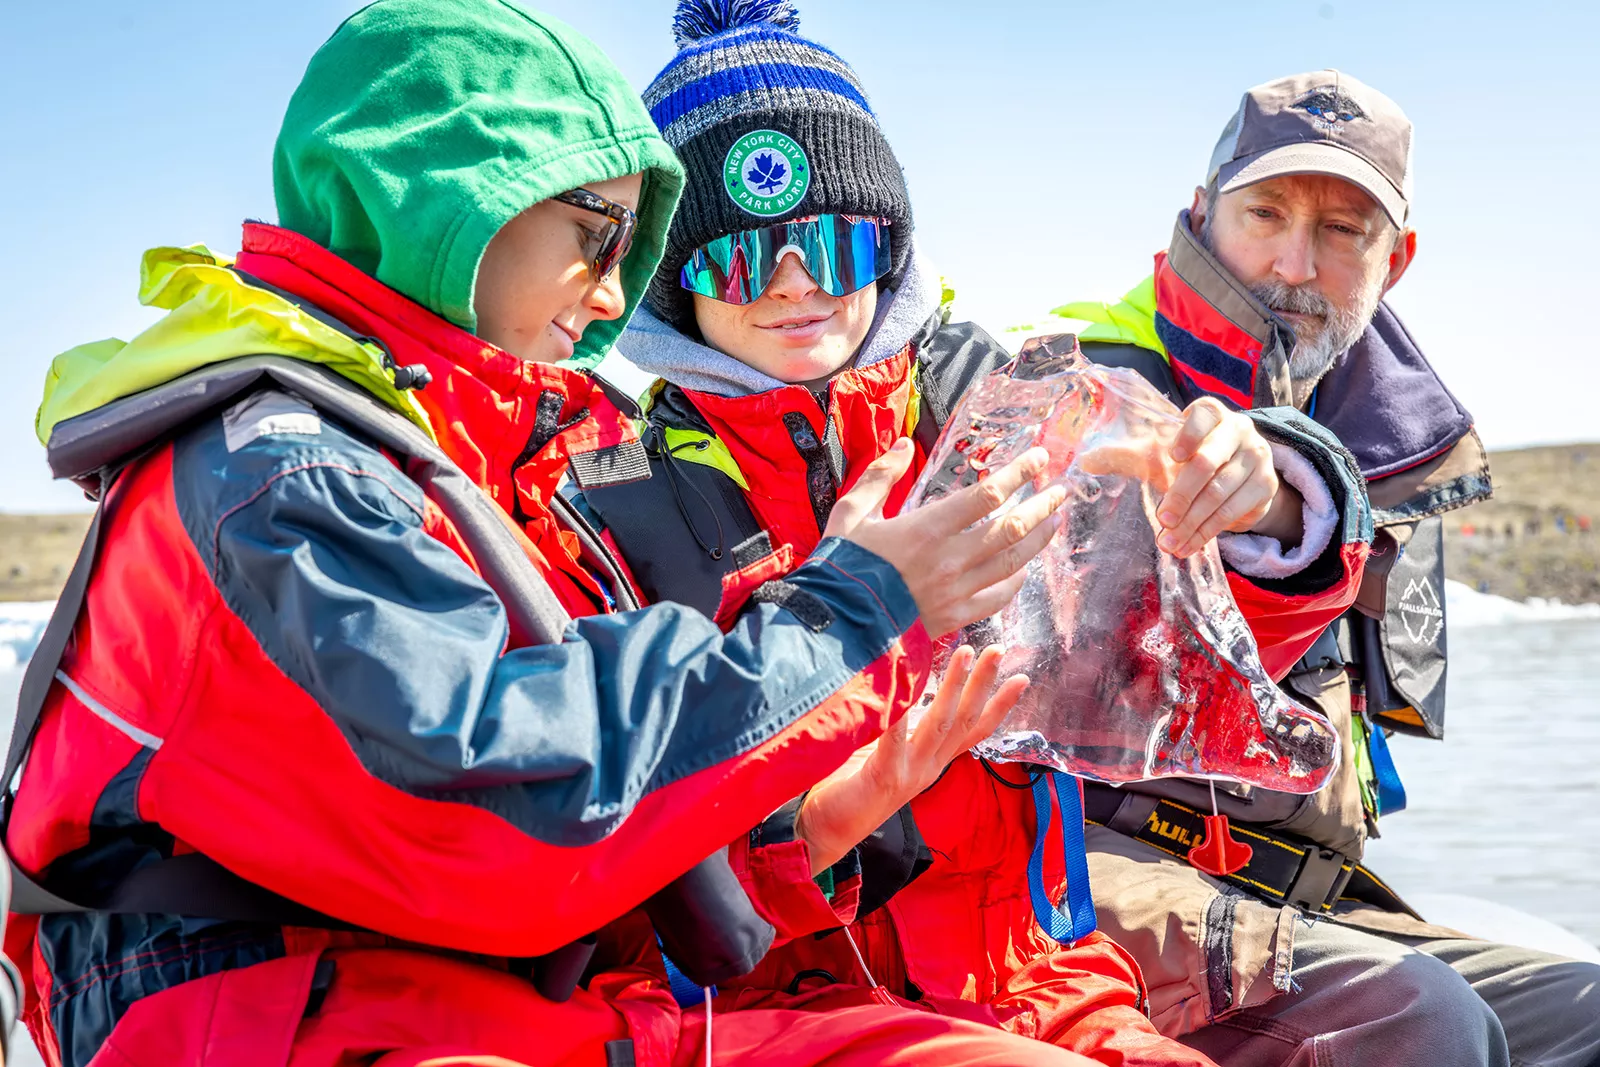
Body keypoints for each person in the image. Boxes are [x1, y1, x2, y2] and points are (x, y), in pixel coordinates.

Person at [1, 3, 1076, 1065]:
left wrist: (810, 831)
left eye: (632, 248)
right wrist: (853, 611)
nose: (616, 290)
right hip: (277, 1014)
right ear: (458, 201)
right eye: (598, 233)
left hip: (487, 994)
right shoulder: (288, 474)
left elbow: (579, 860)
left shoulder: (472, 462)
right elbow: (502, 814)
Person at [575, 6, 1372, 1064]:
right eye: (738, 258)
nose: (796, 285)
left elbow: (1183, 663)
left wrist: (1255, 506)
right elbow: (618, 865)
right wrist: (841, 779)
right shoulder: (604, 498)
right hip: (776, 1007)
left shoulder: (1007, 406)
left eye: (833, 239)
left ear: (888, 242)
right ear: (673, 280)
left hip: (1040, 977)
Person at [1034, 69, 1600, 1066]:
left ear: (1398, 257)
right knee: (1421, 1019)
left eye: (1344, 231)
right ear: (1202, 215)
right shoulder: (1074, 385)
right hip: (1080, 878)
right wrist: (1262, 506)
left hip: (1300, 895)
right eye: (1265, 213)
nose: (1295, 263)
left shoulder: (1390, 439)